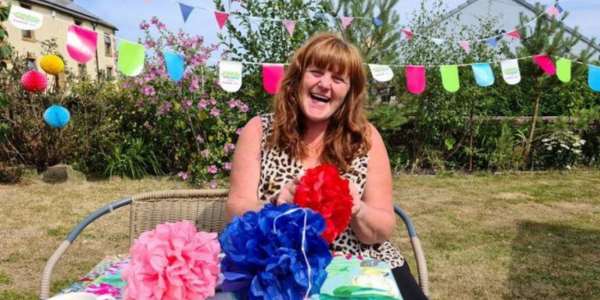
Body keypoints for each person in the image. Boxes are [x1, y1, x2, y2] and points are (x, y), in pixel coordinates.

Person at [226, 32, 427, 300]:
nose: (325, 85)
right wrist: (277, 203)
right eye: (317, 72)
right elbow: (235, 210)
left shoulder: (365, 138)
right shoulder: (260, 130)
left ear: (349, 92)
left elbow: (383, 227)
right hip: (279, 268)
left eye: (338, 79)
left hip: (360, 265)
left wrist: (358, 209)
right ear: (298, 77)